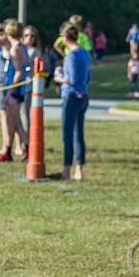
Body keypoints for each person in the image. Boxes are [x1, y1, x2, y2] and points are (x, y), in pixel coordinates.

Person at [0, 20, 29, 161]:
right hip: (12, 87)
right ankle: (27, 147)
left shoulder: (14, 49)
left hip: (9, 87)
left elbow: (18, 72)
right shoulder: (17, 46)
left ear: (7, 33)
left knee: (7, 121)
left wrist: (9, 92)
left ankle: (6, 149)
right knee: (16, 121)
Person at [57, 25, 91, 181]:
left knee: (67, 134)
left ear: (65, 38)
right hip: (83, 95)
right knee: (79, 134)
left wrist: (58, 77)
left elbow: (71, 79)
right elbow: (87, 76)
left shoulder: (71, 56)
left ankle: (66, 169)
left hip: (71, 96)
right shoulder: (85, 53)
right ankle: (79, 169)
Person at [20, 25, 42, 138]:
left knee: (24, 113)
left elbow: (30, 68)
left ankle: (26, 139)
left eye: (32, 36)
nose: (29, 38)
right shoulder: (20, 48)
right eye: (26, 35)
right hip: (17, 84)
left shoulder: (34, 52)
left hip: (27, 84)